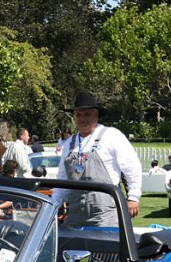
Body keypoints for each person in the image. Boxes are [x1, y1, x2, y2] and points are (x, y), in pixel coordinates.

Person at [54, 90, 142, 226]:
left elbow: (132, 167)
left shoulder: (112, 136)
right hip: (75, 213)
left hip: (105, 213)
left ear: (96, 114)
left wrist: (133, 197)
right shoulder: (69, 144)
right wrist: (54, 205)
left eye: (87, 114)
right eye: (78, 115)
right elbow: (62, 178)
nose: (82, 118)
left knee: (105, 245)